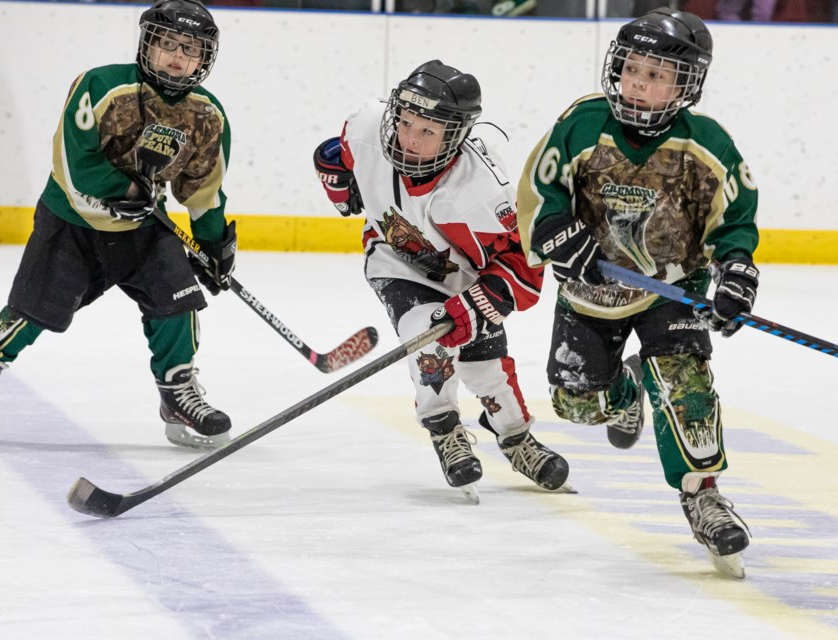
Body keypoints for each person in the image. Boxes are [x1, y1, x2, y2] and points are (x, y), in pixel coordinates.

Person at [516, 9, 758, 578]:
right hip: (589, 290)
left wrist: (737, 268)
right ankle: (624, 394)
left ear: (686, 85)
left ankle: (704, 494)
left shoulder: (708, 143)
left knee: (686, 383)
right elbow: (539, 186)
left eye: (657, 74)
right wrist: (554, 228)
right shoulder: (582, 123)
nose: (639, 82)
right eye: (632, 68)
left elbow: (734, 215)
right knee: (579, 404)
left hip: (674, 287)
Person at [0, 0, 238, 450]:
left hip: (141, 229)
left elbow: (203, 191)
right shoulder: (101, 85)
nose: (179, 56)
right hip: (71, 223)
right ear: (148, 44)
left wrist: (213, 247)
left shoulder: (207, 115)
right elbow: (71, 159)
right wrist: (127, 191)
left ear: (205, 59)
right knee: (32, 314)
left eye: (192, 49)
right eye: (169, 44)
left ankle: (178, 391)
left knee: (177, 301)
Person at [314, 60, 569, 503]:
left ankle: (515, 438)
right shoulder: (368, 127)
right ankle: (445, 429)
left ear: (455, 136)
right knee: (424, 332)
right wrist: (337, 175)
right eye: (406, 123)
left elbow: (524, 270)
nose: (410, 139)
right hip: (395, 261)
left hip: (466, 277)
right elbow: (340, 152)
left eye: (427, 132)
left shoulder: (483, 192)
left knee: (486, 367)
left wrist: (480, 299)